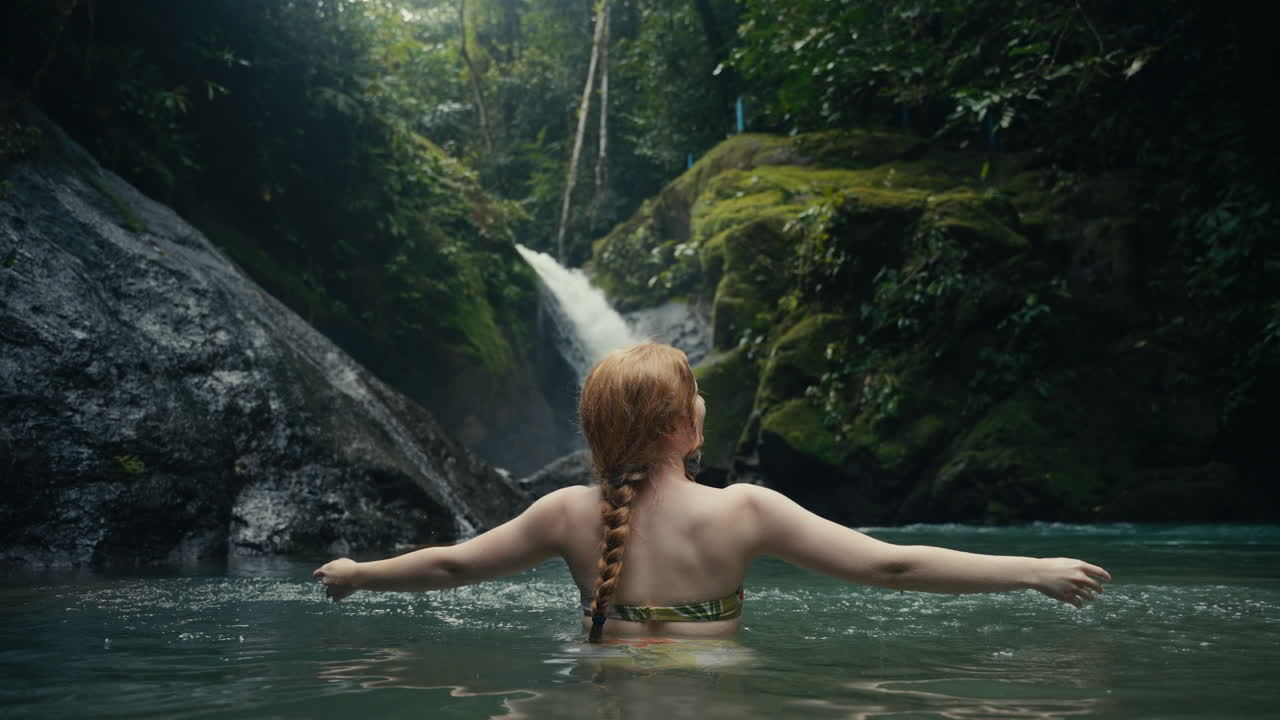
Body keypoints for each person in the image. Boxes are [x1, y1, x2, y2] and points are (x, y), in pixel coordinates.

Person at [314, 343, 1111, 642]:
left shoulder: (563, 513)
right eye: (694, 396)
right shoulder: (745, 509)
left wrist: (357, 574)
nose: (704, 404)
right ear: (678, 429)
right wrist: (1031, 569)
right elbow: (891, 568)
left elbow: (452, 569)